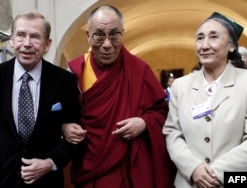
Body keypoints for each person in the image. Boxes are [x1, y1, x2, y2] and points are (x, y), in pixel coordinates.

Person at [62, 5, 176, 188]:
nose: (107, 44)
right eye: (99, 35)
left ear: (122, 34)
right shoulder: (76, 70)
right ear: (88, 36)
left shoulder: (139, 69)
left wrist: (145, 122)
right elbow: (63, 114)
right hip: (89, 164)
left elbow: (163, 113)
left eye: (114, 35)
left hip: (129, 165)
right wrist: (65, 127)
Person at [163, 11, 247, 188]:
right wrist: (194, 168)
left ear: (231, 46)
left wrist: (215, 174)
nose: (204, 45)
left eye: (214, 37)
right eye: (200, 38)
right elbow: (173, 133)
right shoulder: (180, 86)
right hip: (190, 182)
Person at [0, 11, 82, 187]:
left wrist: (51, 162)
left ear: (47, 44)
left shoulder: (64, 82)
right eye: (21, 35)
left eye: (35, 37)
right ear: (12, 40)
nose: (27, 44)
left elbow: (76, 138)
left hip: (47, 183)